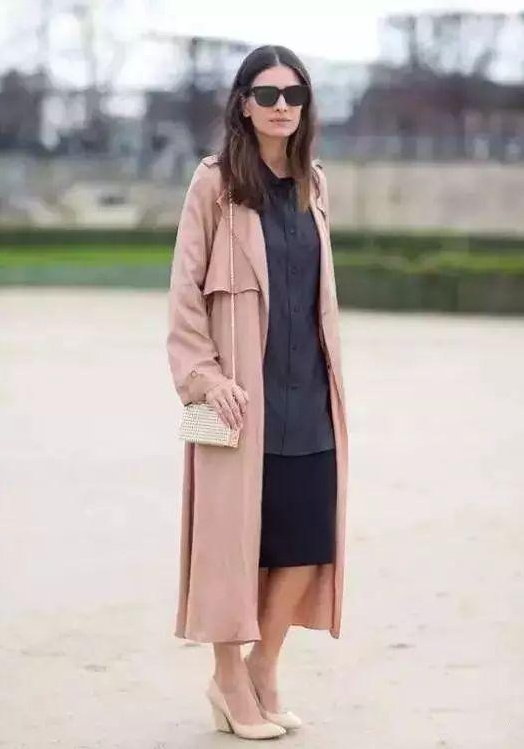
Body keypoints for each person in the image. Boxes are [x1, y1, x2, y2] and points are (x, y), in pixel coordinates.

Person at [166, 44, 349, 740]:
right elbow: (185, 295)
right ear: (243, 104)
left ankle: (262, 666)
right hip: (238, 401)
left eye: (293, 95)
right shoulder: (214, 184)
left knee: (308, 541)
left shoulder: (314, 183)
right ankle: (227, 679)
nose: (281, 106)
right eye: (267, 94)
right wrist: (204, 378)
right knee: (230, 546)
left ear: (305, 107)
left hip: (310, 396)